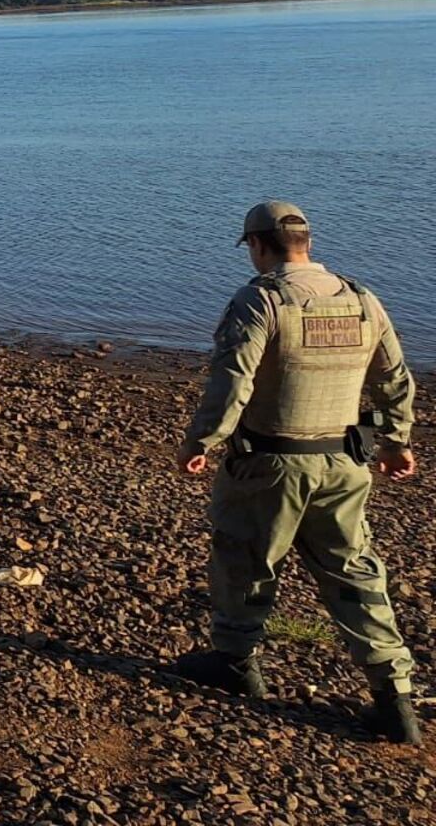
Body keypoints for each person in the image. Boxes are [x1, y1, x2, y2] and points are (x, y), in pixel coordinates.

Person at [173, 201, 420, 744]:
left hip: (270, 461)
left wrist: (202, 441)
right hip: (346, 463)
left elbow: (233, 382)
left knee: (245, 557)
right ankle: (394, 696)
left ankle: (236, 661)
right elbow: (395, 378)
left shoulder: (259, 300)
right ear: (306, 242)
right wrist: (397, 442)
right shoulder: (361, 298)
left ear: (257, 245)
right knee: (354, 570)